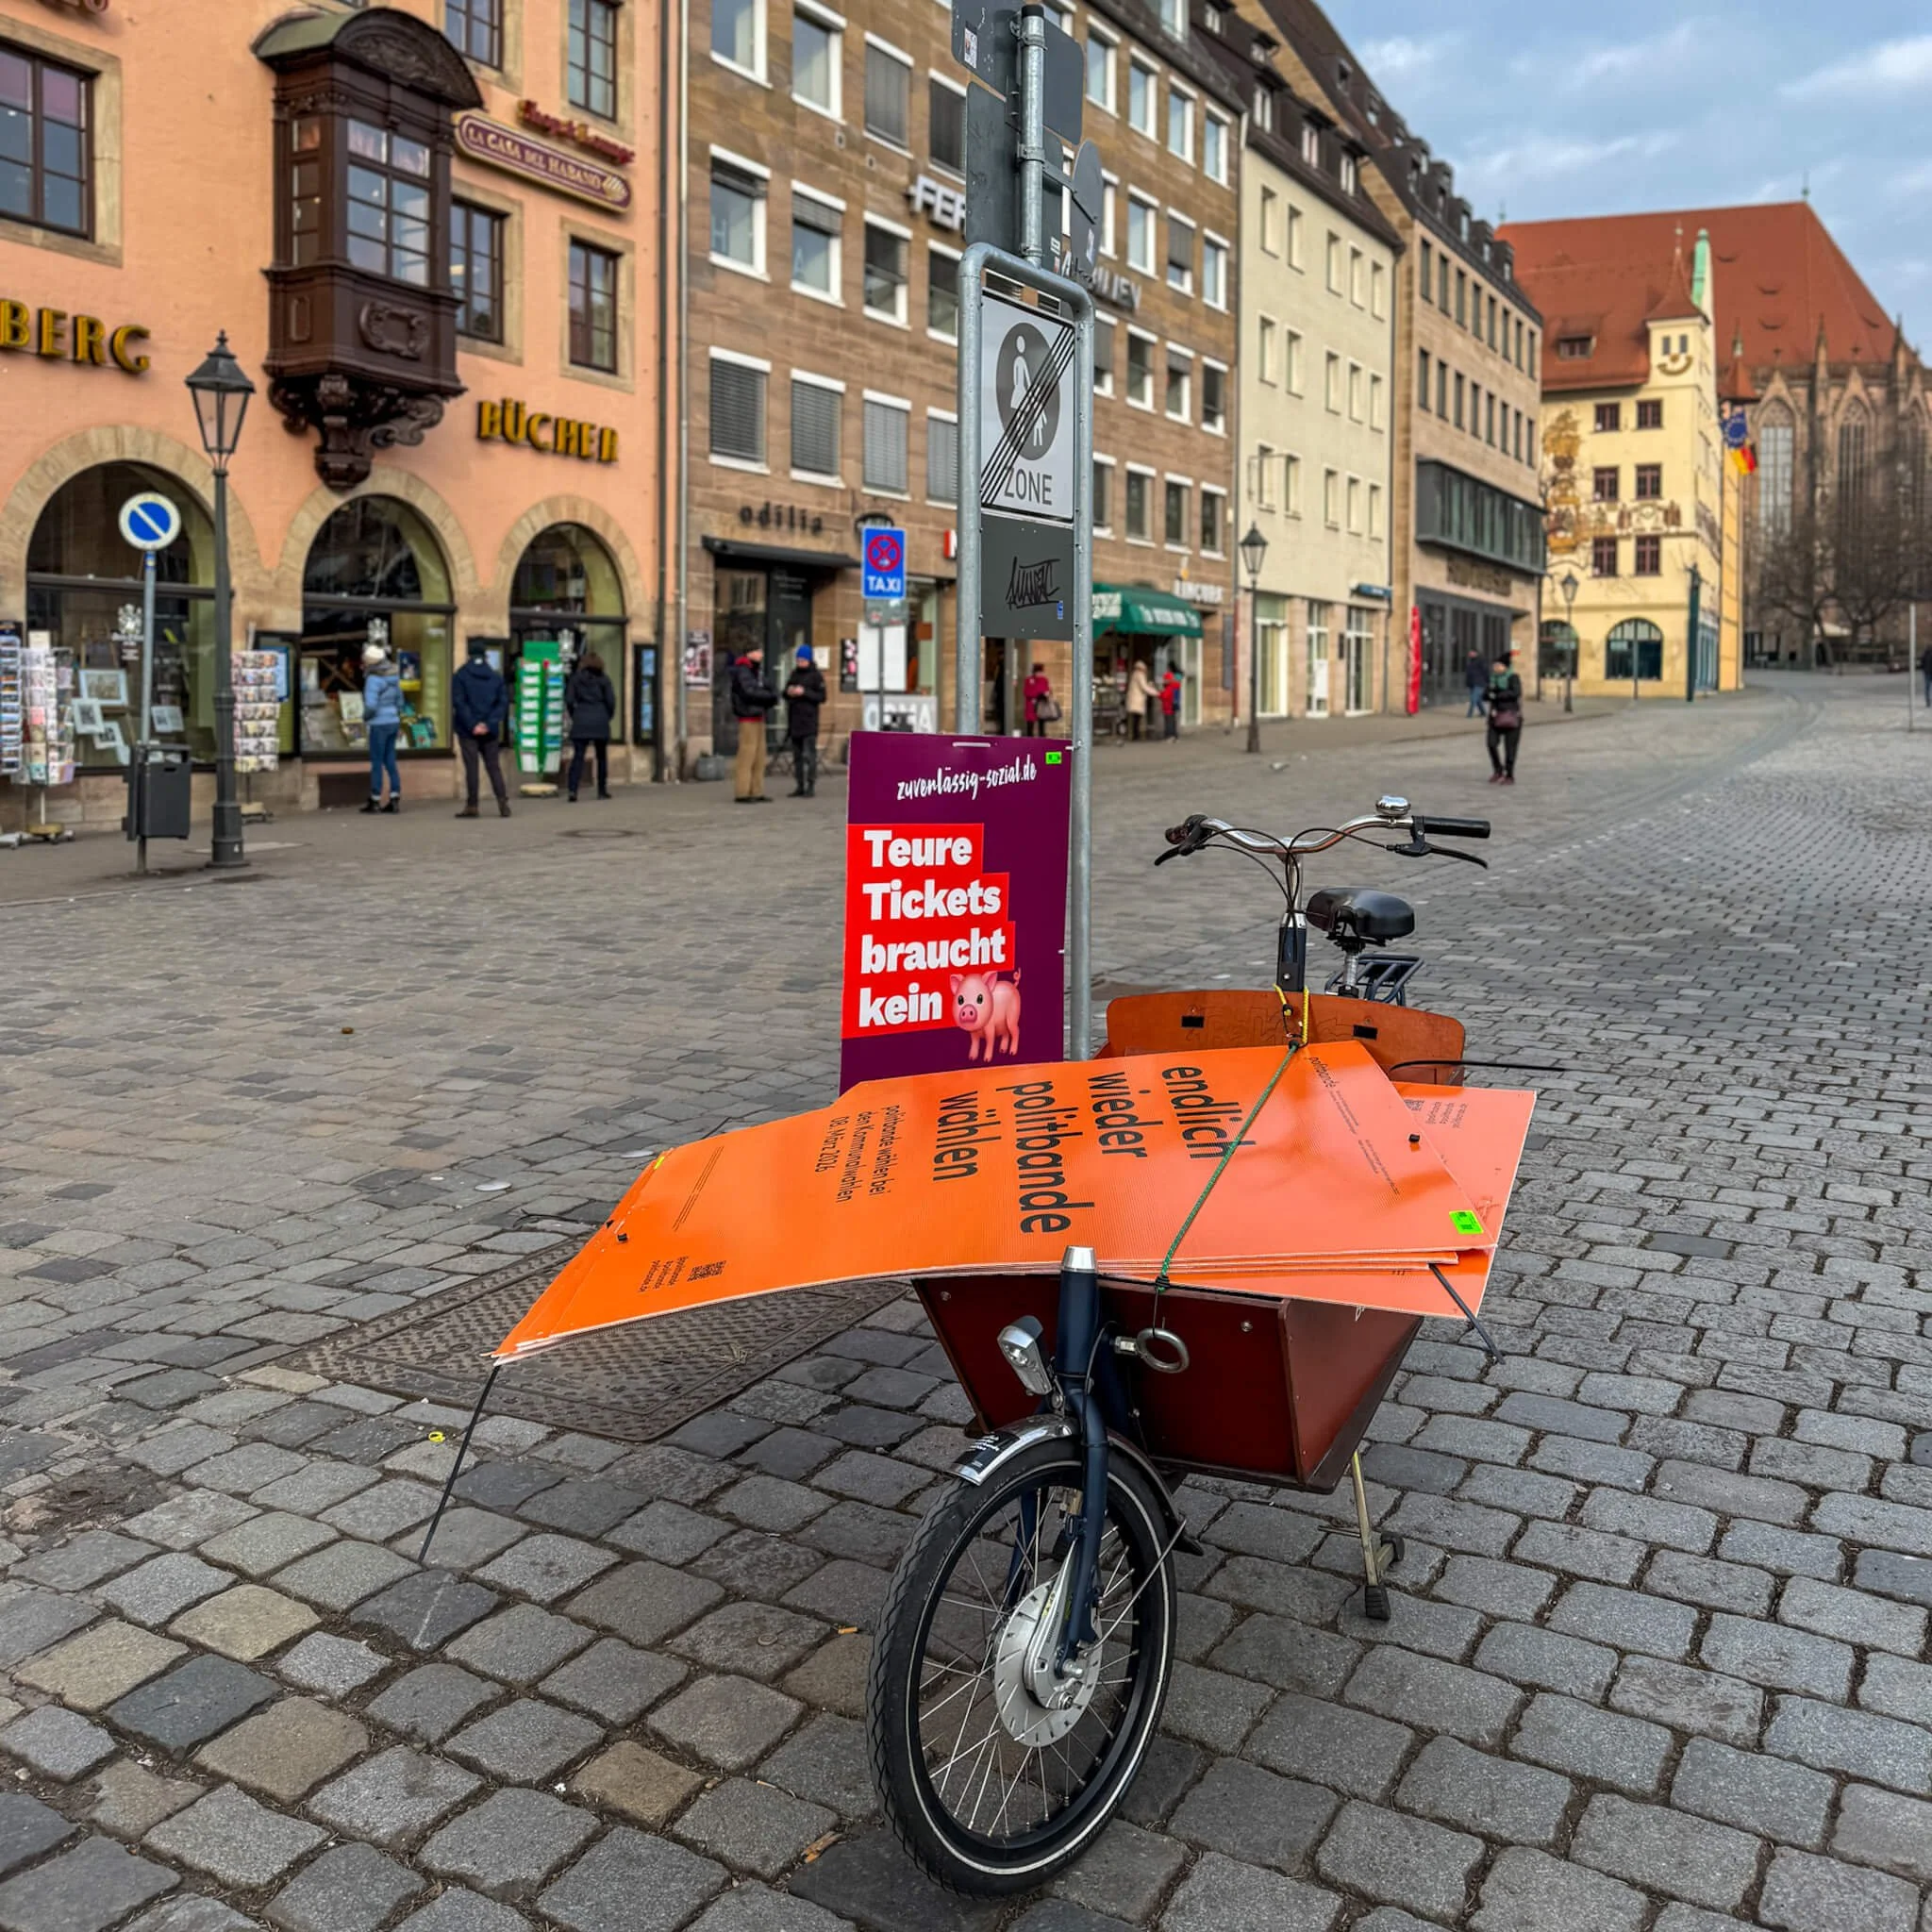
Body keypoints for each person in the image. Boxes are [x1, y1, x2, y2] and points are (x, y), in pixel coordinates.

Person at [451, 638, 511, 818]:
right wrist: (489, 723)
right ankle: (502, 802)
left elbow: (459, 703)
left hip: (467, 730)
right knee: (493, 766)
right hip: (490, 731)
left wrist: (472, 724)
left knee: (472, 767)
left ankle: (472, 805)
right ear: (485, 655)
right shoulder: (495, 676)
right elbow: (502, 703)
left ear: (469, 654)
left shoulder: (460, 675)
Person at [564, 650, 617, 803]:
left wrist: (575, 714)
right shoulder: (604, 679)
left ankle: (573, 790)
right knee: (601, 757)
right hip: (600, 718)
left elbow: (569, 700)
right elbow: (611, 701)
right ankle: (602, 790)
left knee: (578, 757)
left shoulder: (576, 679)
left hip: (581, 717)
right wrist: (607, 716)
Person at [730, 646, 779, 802]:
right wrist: (769, 696)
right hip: (748, 716)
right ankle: (742, 792)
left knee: (759, 756)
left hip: (758, 715)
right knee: (747, 755)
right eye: (758, 651)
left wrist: (771, 695)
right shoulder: (743, 670)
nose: (761, 654)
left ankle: (757, 791)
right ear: (749, 653)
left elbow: (770, 688)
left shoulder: (757, 671)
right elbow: (750, 692)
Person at [359, 642, 402, 813]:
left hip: (378, 724)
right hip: (393, 722)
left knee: (376, 762)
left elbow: (371, 705)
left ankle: (375, 799)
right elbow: (400, 701)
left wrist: (364, 718)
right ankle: (394, 798)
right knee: (390, 761)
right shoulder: (394, 676)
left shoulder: (373, 679)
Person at [783, 644, 826, 798]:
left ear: (808, 660)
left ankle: (811, 785)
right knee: (797, 757)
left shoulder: (816, 676)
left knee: (809, 755)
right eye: (798, 660)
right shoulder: (794, 674)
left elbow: (822, 697)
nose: (800, 663)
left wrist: (805, 692)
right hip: (795, 722)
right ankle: (799, 785)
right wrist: (789, 692)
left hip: (809, 722)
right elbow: (785, 692)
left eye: (803, 660)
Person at [1485, 649, 1524, 786]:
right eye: (1494, 666)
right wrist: (1490, 692)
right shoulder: (1493, 680)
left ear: (1505, 667)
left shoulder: (1513, 678)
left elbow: (1515, 693)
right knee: (1491, 744)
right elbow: (1485, 695)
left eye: (1498, 666)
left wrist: (1497, 694)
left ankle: (1509, 774)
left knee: (1510, 749)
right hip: (1495, 717)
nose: (1495, 668)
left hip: (1511, 717)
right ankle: (1498, 770)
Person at [1125, 658, 1155, 741]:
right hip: (1137, 699)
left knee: (1135, 718)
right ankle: (1136, 735)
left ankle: (1135, 735)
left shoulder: (1134, 674)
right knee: (1137, 719)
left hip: (1134, 699)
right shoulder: (1140, 675)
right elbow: (1144, 687)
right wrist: (1155, 692)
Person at [1023, 663, 1054, 737]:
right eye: (1038, 672)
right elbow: (1026, 692)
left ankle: (1042, 739)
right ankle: (1029, 740)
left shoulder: (1044, 680)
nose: (1040, 674)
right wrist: (1035, 695)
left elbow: (1047, 690)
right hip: (1031, 704)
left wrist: (1047, 694)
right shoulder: (1029, 680)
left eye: (1041, 672)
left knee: (1041, 724)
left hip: (1041, 705)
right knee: (1030, 725)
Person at [1158, 661, 1183, 741]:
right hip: (1176, 698)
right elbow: (1177, 683)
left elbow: (1166, 685)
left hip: (1170, 700)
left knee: (1169, 719)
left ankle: (1170, 735)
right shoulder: (1177, 676)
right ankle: (1175, 735)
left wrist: (1167, 682)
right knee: (1174, 719)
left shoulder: (1170, 677)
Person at [1464, 647, 1489, 718]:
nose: (1470, 654)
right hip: (1472, 683)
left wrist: (1487, 681)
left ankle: (1469, 714)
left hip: (1479, 683)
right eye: (1469, 653)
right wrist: (1467, 683)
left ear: (1476, 653)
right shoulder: (1470, 662)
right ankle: (1483, 712)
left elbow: (1486, 672)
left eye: (1471, 652)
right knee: (1478, 700)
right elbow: (1468, 674)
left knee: (1473, 698)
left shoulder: (1481, 661)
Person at [1920, 635, 1932, 710]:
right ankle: (1928, 701)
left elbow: (1922, 663)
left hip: (1927, 672)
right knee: (1927, 688)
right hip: (1927, 672)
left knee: (1927, 688)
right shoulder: (1925, 653)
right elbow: (1922, 663)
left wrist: (1924, 669)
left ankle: (1928, 701)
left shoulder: (1925, 653)